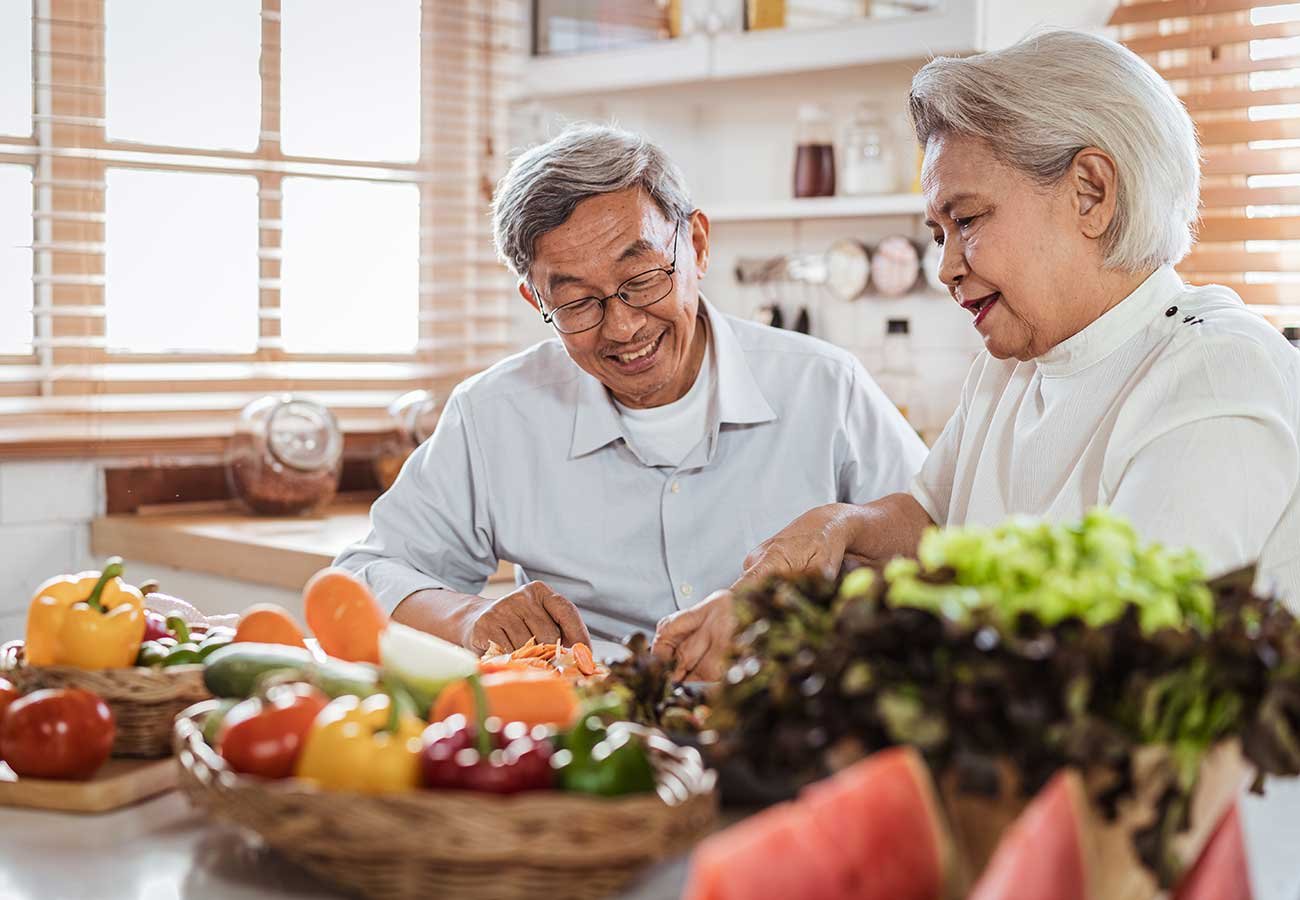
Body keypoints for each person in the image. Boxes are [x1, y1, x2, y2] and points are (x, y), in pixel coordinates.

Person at [739, 30, 1300, 618]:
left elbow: (1124, 651)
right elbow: (934, 526)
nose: (946, 268)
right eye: (939, 235)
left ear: (1091, 193)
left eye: (969, 220)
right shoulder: (1009, 366)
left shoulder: (1214, 371)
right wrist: (843, 524)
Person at [334, 123, 926, 678]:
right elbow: (363, 575)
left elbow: (941, 543)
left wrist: (837, 539)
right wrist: (466, 618)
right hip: (590, 747)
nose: (622, 328)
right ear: (534, 299)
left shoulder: (825, 386)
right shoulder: (495, 414)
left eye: (642, 280)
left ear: (695, 245)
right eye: (577, 304)